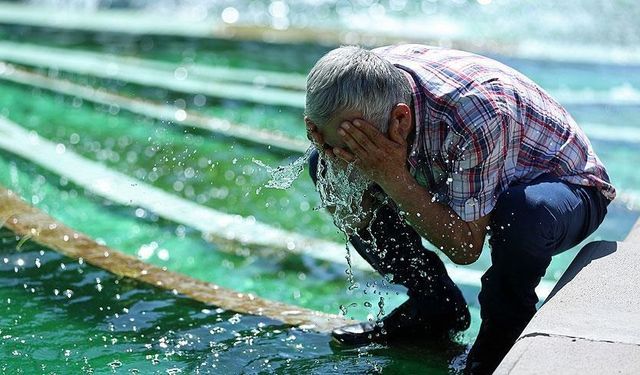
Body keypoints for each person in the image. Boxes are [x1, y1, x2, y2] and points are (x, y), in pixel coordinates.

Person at [304, 45, 614, 374]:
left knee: (521, 213)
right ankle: (434, 305)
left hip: (566, 187)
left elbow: (465, 247)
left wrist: (392, 178)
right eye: (324, 140)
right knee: (324, 168)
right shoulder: (346, 87)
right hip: (462, 168)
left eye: (358, 146)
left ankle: (501, 341)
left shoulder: (475, 112)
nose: (342, 154)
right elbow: (343, 179)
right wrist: (343, 174)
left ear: (399, 119)